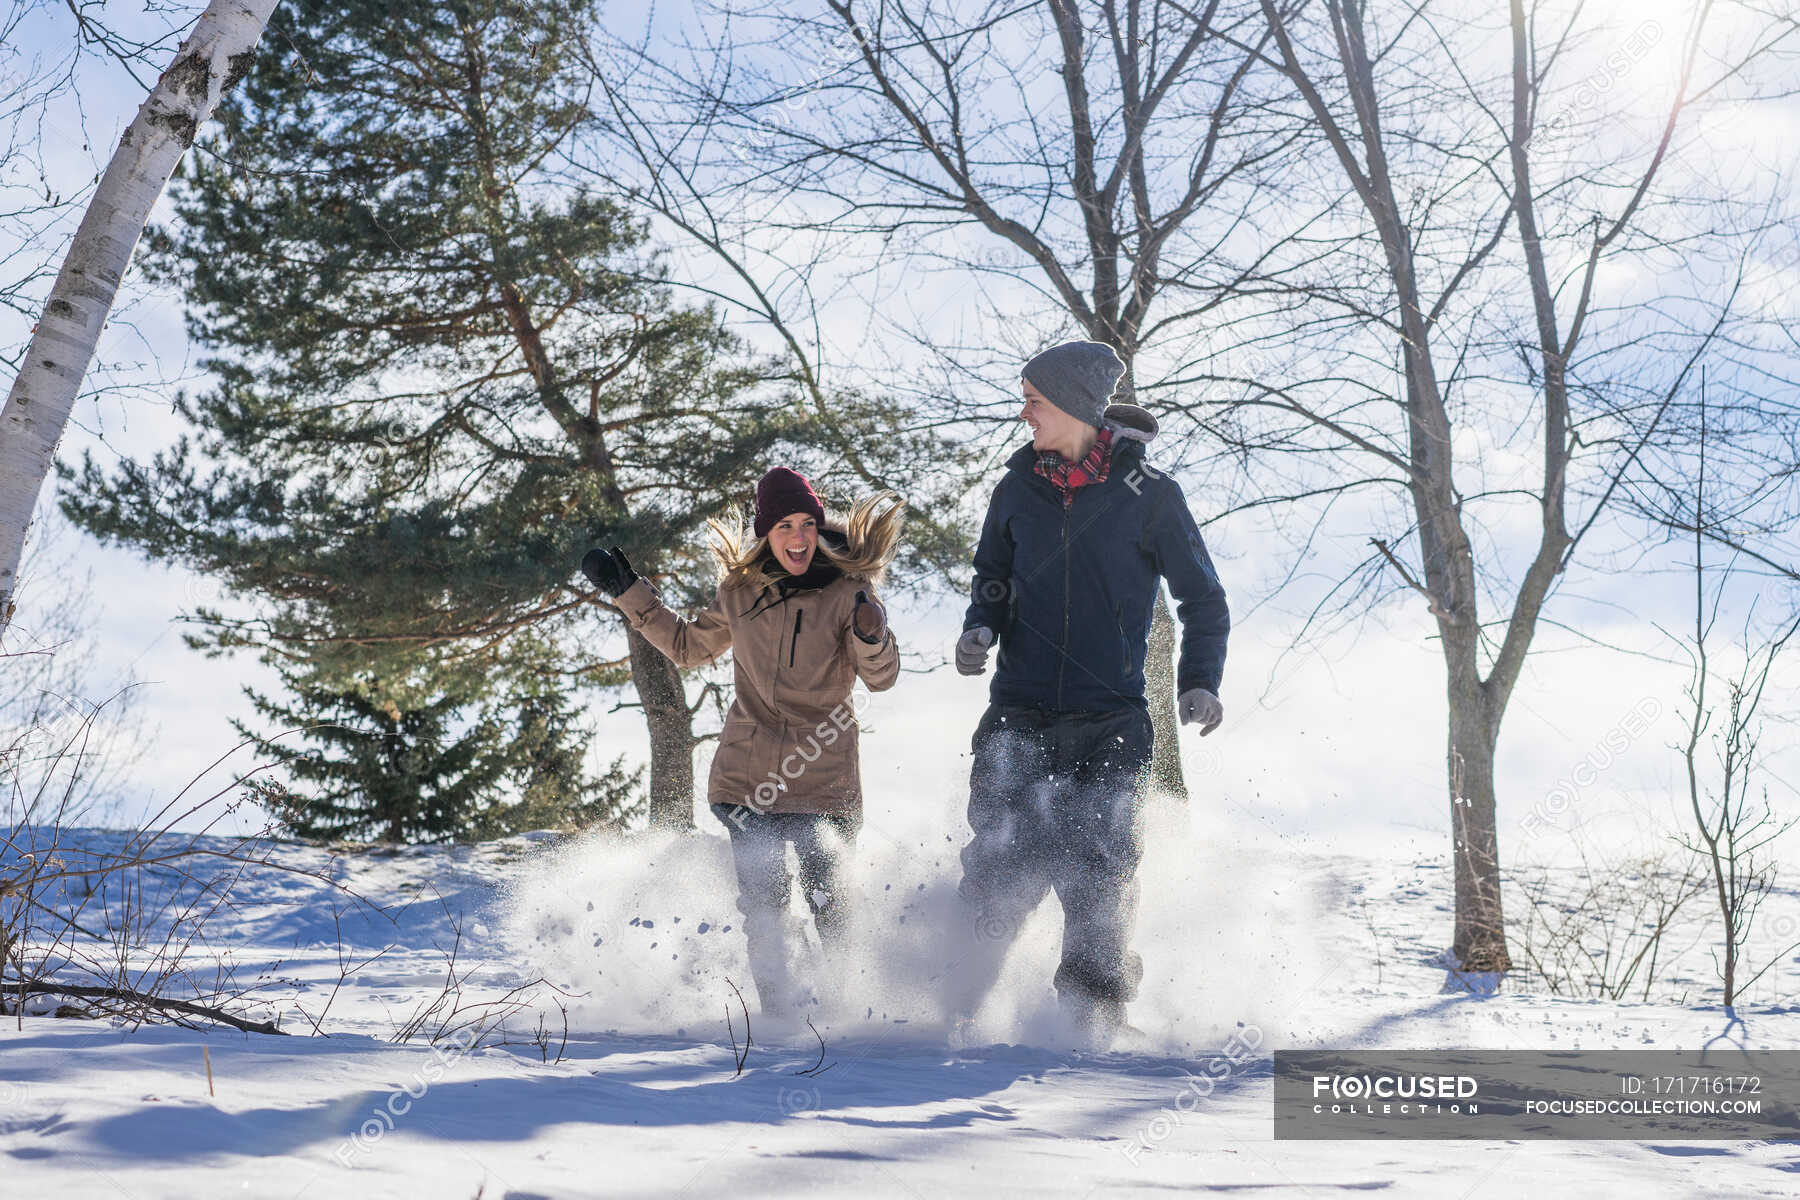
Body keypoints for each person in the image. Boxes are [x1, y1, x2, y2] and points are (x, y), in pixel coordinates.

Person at [947, 339, 1229, 1049]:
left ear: (1073, 407)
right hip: (1018, 711)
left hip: (1110, 720)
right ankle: (947, 1009)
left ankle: (1089, 1023)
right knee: (998, 862)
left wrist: (1199, 680)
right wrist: (980, 626)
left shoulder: (1152, 497)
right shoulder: (1015, 491)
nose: (1024, 413)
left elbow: (1204, 598)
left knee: (1101, 868)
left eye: (1034, 401)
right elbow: (991, 575)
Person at [581, 468, 903, 1018]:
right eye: (784, 525)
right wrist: (628, 594)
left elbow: (882, 678)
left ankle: (852, 1015)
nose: (799, 537)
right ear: (765, 531)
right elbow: (686, 646)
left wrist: (872, 637)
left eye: (807, 523)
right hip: (748, 780)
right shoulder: (740, 591)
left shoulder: (849, 593)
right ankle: (780, 1020)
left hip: (824, 782)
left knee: (833, 907)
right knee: (765, 908)